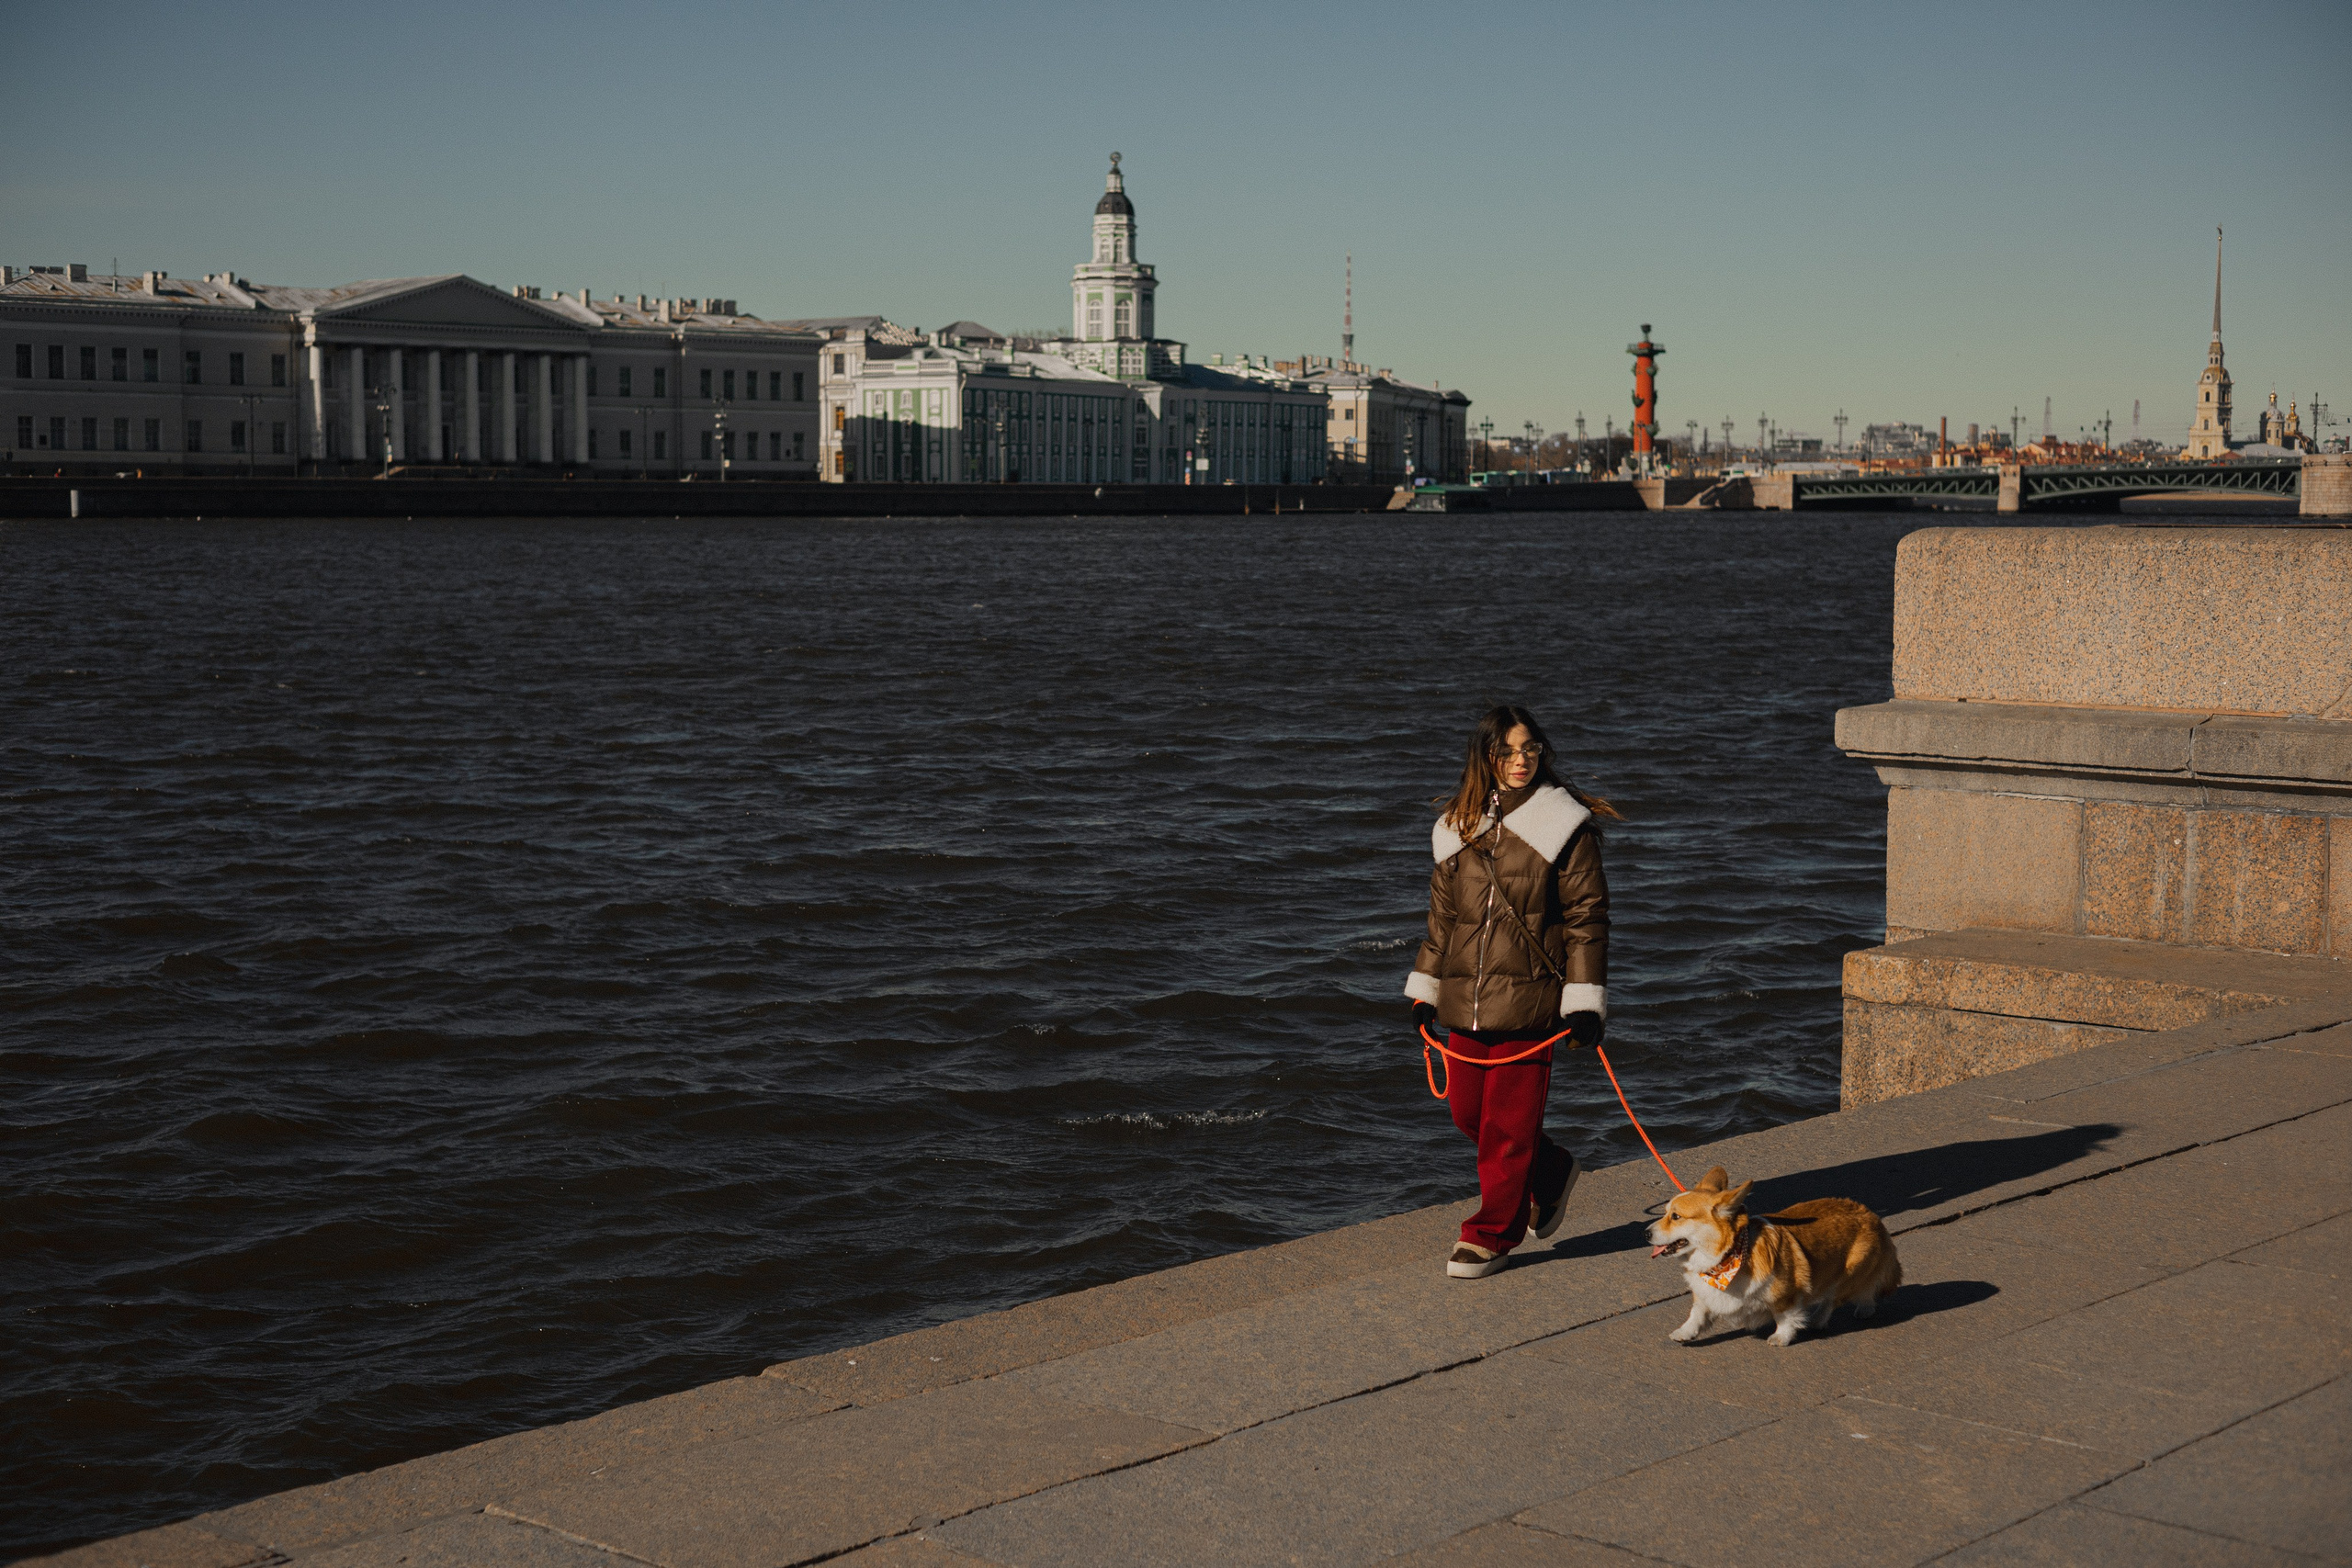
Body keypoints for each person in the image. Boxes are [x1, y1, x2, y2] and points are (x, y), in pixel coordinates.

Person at [1405, 705, 1615, 1279]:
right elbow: (1443, 920)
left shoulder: (1564, 824)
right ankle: (1551, 1172)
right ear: (1487, 758)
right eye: (1508, 752)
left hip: (1532, 1002)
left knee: (1507, 1128)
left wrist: (1584, 1000)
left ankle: (1491, 1235)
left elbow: (1587, 920)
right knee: (1468, 1114)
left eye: (1530, 750)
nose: (1521, 761)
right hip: (1463, 1000)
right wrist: (1424, 989)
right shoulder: (1456, 824)